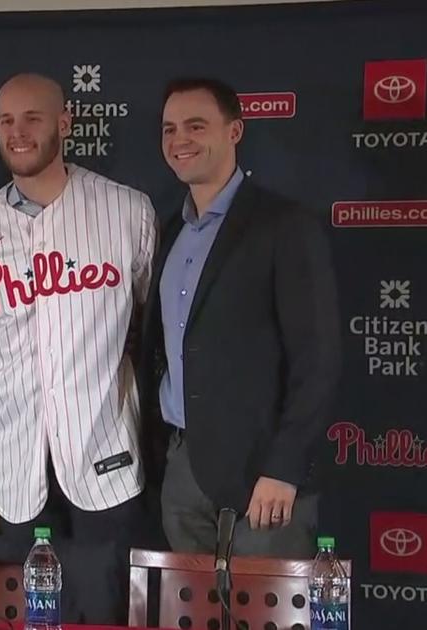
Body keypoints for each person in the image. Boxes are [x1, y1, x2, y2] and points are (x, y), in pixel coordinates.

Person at [0, 73, 157, 547]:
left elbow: (148, 324)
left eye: (32, 118)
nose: (17, 132)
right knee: (22, 617)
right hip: (12, 469)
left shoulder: (127, 211)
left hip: (106, 461)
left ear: (65, 122)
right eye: (6, 120)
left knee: (105, 617)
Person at [138, 78, 341, 557]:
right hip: (183, 468)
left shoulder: (284, 225)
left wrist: (285, 468)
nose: (179, 140)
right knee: (188, 613)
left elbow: (318, 361)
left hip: (263, 475)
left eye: (195, 125)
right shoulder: (167, 231)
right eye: (169, 129)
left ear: (235, 131)